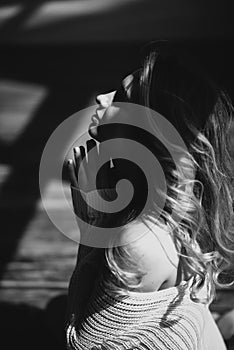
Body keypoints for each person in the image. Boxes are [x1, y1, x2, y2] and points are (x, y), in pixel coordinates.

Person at [66, 42, 234, 349]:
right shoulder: (190, 212)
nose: (101, 97)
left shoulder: (136, 241)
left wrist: (91, 216)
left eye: (122, 96)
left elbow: (84, 342)